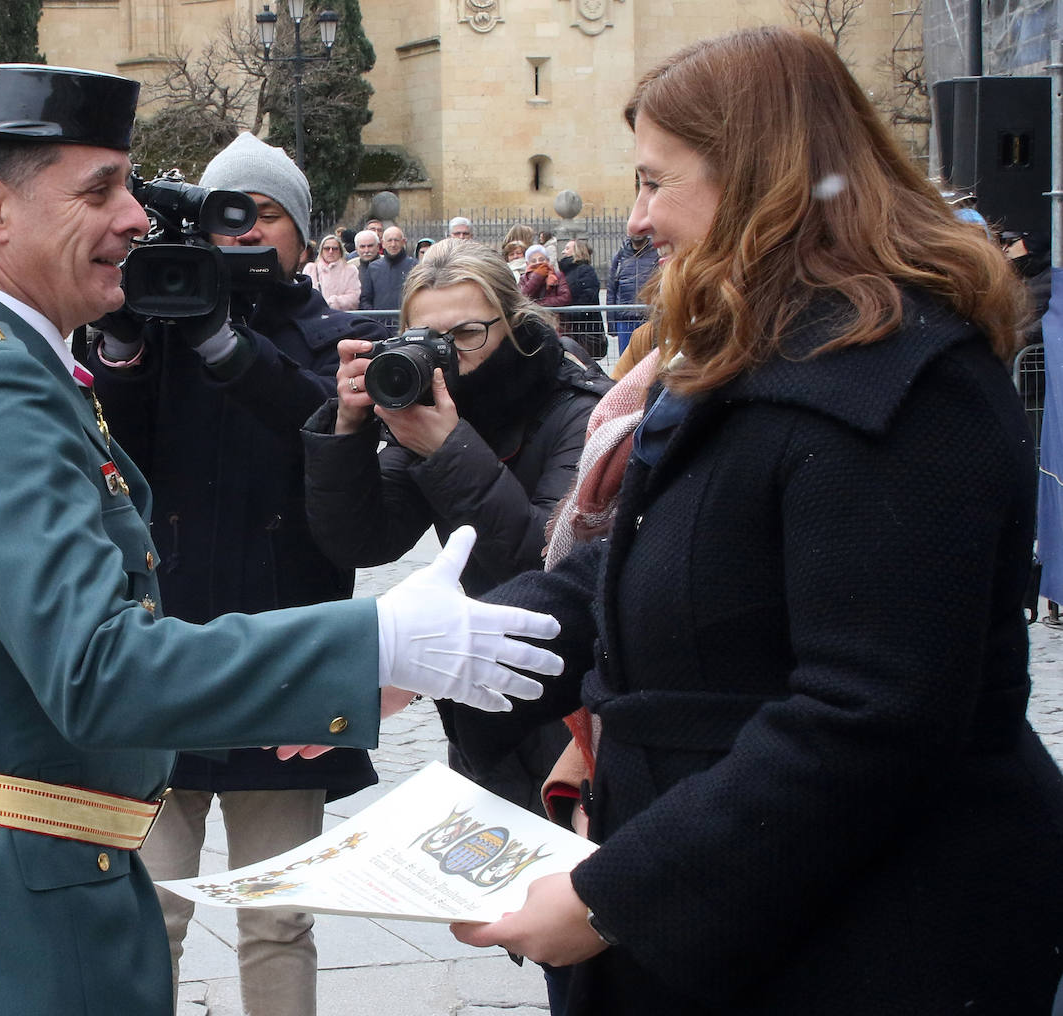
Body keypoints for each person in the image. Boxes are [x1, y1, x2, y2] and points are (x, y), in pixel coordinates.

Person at [0, 49, 559, 1016]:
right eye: (102, 190)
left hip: (14, 873)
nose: (136, 218)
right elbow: (97, 670)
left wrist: (346, 675)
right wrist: (370, 638)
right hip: (12, 905)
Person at [446, 26, 1063, 1014]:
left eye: (656, 181)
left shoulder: (901, 384)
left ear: (756, 179)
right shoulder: (740, 347)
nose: (638, 220)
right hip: (729, 914)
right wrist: (438, 649)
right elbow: (646, 578)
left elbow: (869, 717)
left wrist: (615, 897)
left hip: (865, 937)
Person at [90, 131, 389, 1016]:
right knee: (154, 913)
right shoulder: (156, 329)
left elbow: (324, 434)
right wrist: (121, 339)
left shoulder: (335, 336)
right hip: (168, 652)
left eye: (267, 215)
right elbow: (113, 453)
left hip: (284, 654)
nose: (249, 233)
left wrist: (226, 343)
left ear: (302, 233)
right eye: (231, 216)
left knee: (277, 917)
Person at [303, 237, 606, 819]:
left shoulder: (577, 407)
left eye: (468, 336)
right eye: (431, 341)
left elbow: (547, 563)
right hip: (483, 698)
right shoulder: (435, 415)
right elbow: (362, 541)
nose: (450, 358)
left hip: (572, 704)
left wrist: (446, 447)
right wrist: (347, 428)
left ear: (515, 325)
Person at [605, 230, 658, 356]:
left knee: (649, 363)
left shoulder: (656, 254)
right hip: (624, 320)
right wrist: (612, 324)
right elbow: (611, 290)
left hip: (649, 318)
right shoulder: (620, 256)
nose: (637, 233)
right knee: (626, 364)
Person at [557, 239, 604, 357]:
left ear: (577, 251)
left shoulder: (585, 270)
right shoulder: (564, 272)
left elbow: (589, 296)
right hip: (569, 326)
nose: (563, 252)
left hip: (584, 326)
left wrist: (571, 312)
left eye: (567, 248)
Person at [360, 225, 413, 310]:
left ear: (403, 242)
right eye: (389, 240)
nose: (393, 244)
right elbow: (365, 299)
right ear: (383, 244)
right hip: (379, 321)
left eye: (396, 240)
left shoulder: (415, 266)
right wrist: (374, 317)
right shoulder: (373, 268)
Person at [303, 232, 361, 311]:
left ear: (340, 251)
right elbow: (303, 294)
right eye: (327, 248)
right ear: (321, 250)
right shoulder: (310, 268)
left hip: (340, 317)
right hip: (315, 315)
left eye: (335, 248)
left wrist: (335, 302)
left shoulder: (350, 270)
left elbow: (354, 297)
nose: (330, 251)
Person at [519, 243, 572, 308]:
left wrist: (539, 304)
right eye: (533, 261)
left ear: (547, 261)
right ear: (527, 264)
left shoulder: (558, 275)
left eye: (541, 259)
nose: (538, 263)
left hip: (553, 315)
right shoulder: (523, 278)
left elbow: (565, 298)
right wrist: (537, 276)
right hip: (531, 316)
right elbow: (522, 297)